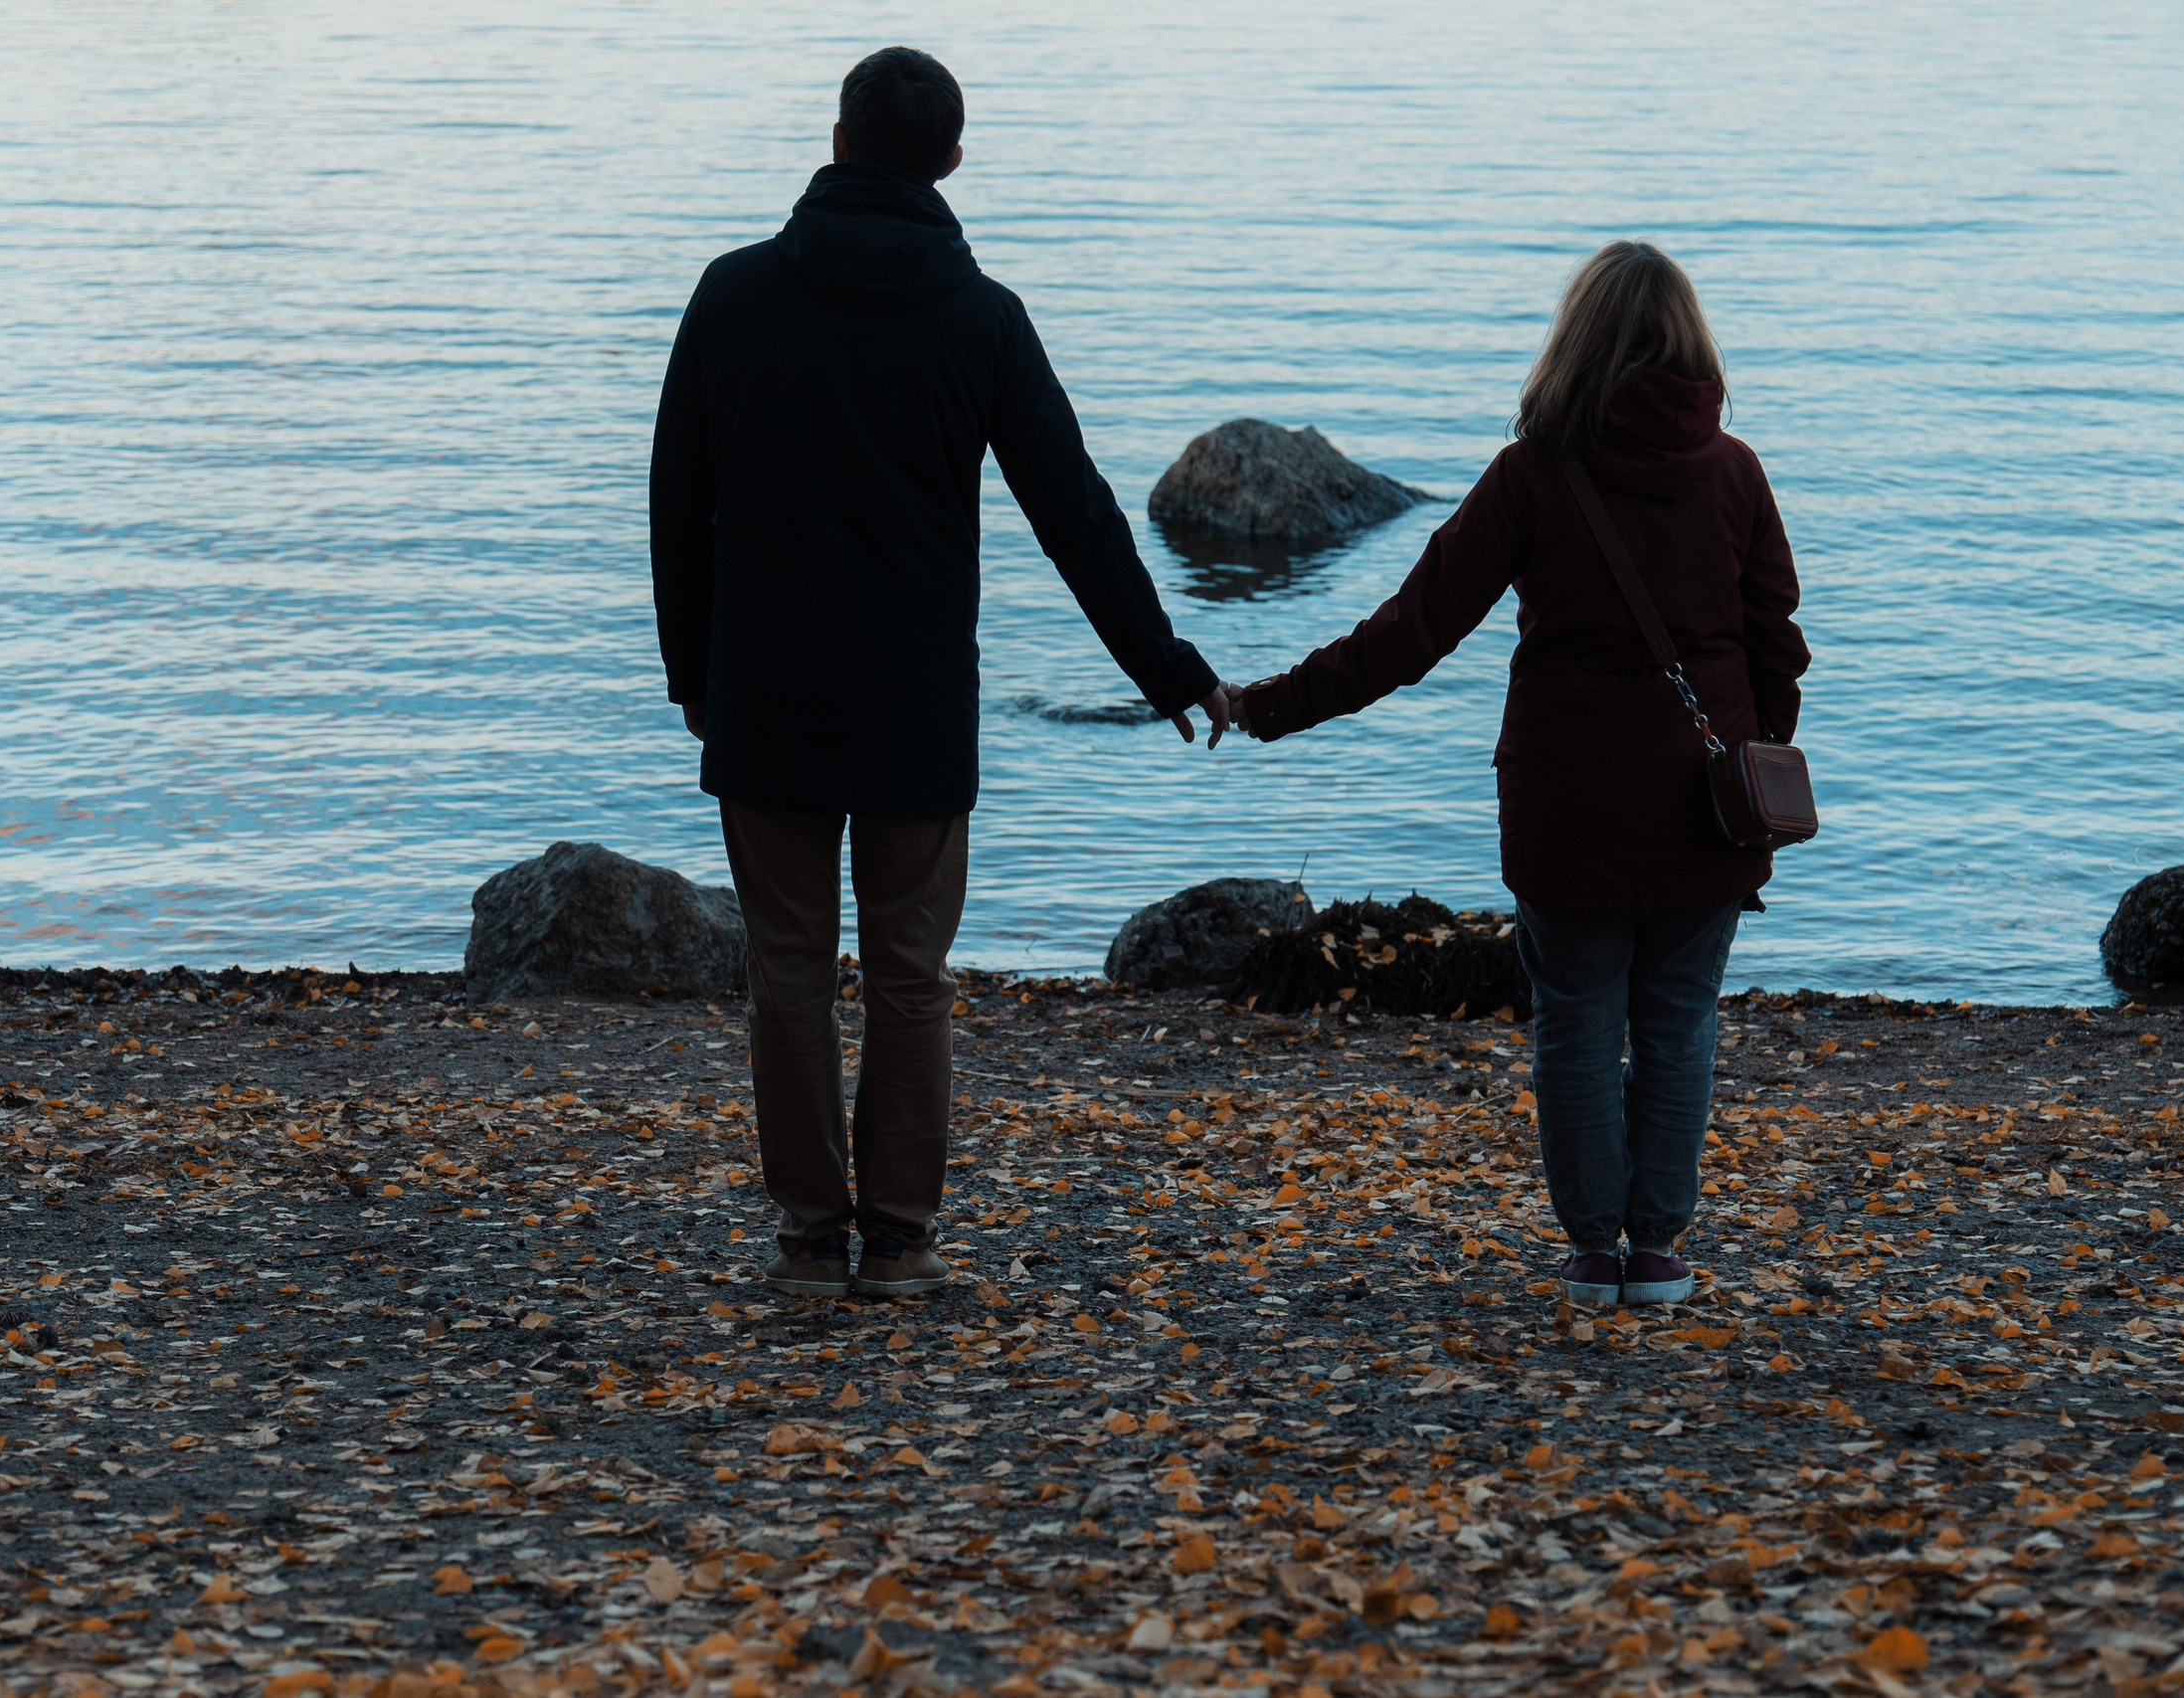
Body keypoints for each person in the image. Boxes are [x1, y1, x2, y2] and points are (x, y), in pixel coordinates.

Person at [650, 46, 1233, 1301]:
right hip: (915, 700)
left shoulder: (733, 295)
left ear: (839, 140)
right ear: (952, 162)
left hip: (765, 687)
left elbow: (676, 504)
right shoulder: (981, 320)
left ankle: (811, 1234)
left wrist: (691, 675)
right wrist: (1165, 666)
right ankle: (900, 1241)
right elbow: (1073, 511)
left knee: (789, 972)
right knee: (909, 978)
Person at [1229, 242, 1809, 1309]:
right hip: (1705, 807)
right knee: (1678, 1025)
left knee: (1578, 1021)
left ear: (1574, 338)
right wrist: (1745, 748)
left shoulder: (1535, 473)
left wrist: (1265, 707)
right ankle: (1661, 1254)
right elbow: (1778, 643)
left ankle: (1596, 1253)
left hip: (1568, 797)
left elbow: (1410, 633)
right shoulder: (1733, 472)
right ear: (1690, 342)